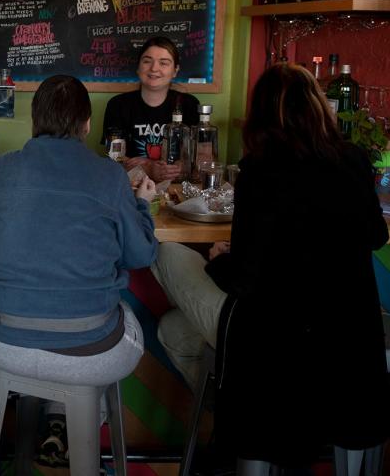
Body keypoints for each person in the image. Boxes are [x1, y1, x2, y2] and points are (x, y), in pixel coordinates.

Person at [152, 63, 390, 467]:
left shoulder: (260, 171)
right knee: (174, 328)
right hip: (349, 346)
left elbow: (245, 280)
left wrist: (218, 259)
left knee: (162, 250)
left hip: (273, 351)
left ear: (261, 116)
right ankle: (226, 412)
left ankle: (231, 422)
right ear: (317, 108)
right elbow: (376, 236)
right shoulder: (352, 160)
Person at [0, 75, 158, 468]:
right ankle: (74, 422)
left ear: (33, 120)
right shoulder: (110, 176)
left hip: (8, 344)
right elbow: (140, 254)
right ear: (87, 124)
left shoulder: (7, 168)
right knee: (118, 317)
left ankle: (55, 420)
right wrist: (141, 204)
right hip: (91, 347)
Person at [102, 36, 200, 182]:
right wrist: (148, 168)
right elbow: (113, 158)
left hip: (178, 186)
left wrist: (179, 167)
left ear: (175, 70)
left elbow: (200, 156)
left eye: (164, 63)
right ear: (138, 67)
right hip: (130, 186)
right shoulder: (117, 105)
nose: (154, 68)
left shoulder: (189, 104)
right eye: (147, 61)